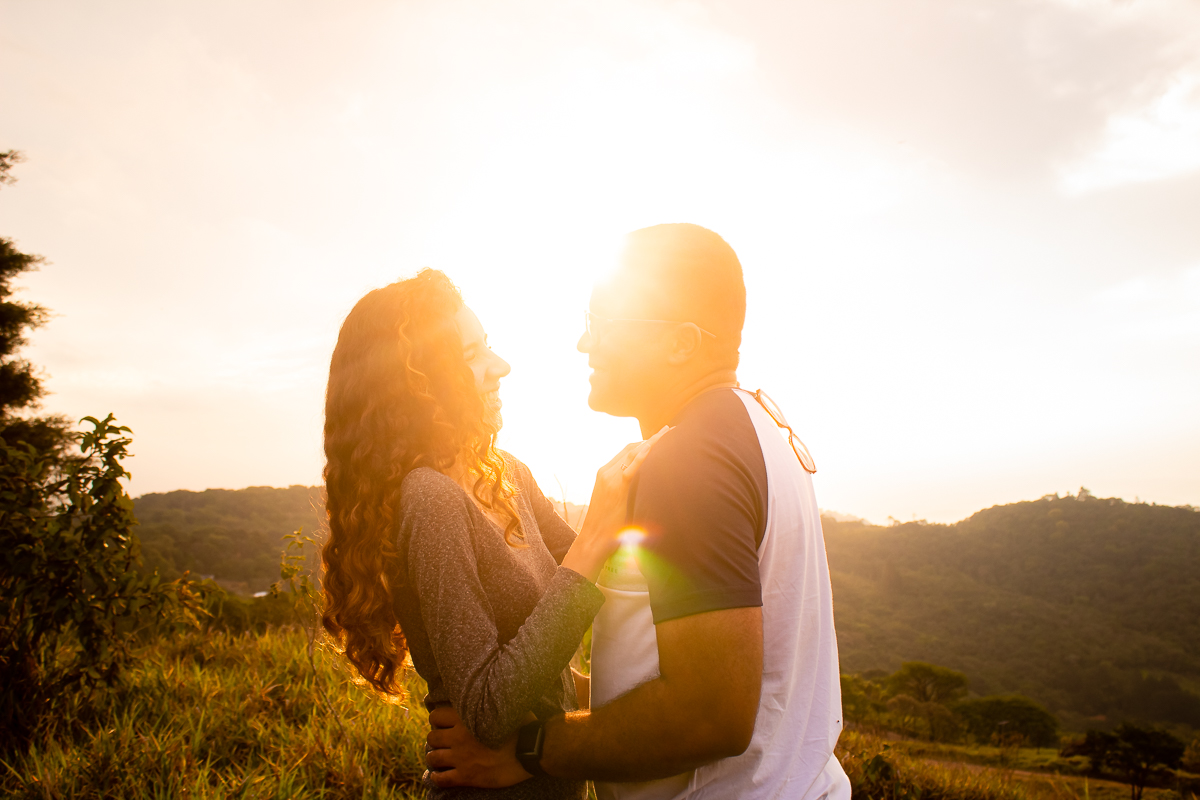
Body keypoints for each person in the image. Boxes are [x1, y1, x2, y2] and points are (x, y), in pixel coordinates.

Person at [425, 224, 850, 800]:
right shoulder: (756, 425)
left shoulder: (689, 460)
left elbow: (709, 714)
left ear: (681, 343)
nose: (584, 343)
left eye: (603, 325)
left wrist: (530, 749)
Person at [321, 268, 667, 799]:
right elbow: (486, 708)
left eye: (489, 347)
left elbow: (594, 583)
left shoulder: (505, 472)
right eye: (473, 355)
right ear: (419, 381)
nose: (500, 367)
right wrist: (595, 532)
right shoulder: (431, 499)